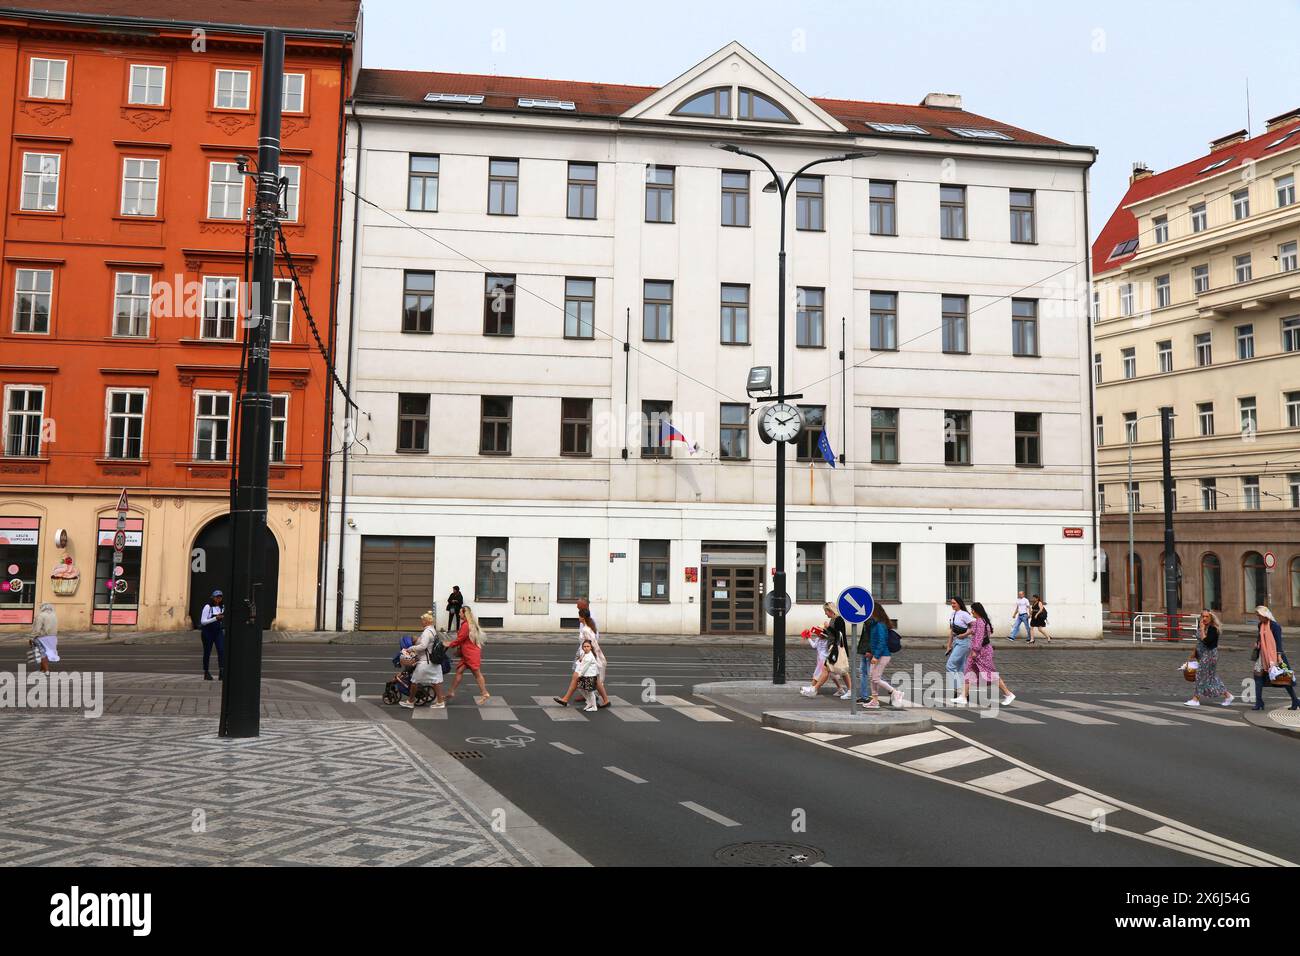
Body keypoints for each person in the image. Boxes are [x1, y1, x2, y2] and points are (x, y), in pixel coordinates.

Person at [955, 601, 1015, 706]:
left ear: (976, 611)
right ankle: (963, 696)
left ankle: (1008, 694)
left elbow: (978, 638)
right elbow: (973, 630)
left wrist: (974, 650)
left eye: (972, 610)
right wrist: (964, 635)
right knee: (968, 671)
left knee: (990, 674)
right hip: (981, 651)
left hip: (981, 652)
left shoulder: (980, 622)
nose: (971, 612)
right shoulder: (982, 621)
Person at [553, 607, 611, 708]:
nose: (578, 618)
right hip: (588, 657)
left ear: (583, 617)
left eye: (579, 616)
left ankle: (565, 699)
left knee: (577, 677)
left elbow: (591, 645)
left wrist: (585, 657)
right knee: (594, 680)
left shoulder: (586, 629)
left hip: (587, 657)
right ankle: (605, 700)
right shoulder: (589, 627)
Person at [1253, 605, 1299, 711]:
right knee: (1257, 677)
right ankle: (1259, 702)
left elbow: (1278, 642)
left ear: (1265, 615)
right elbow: (1260, 637)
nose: (1258, 617)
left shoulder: (1275, 626)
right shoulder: (1260, 625)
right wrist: (1257, 643)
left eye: (1259, 615)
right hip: (1262, 656)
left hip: (1275, 656)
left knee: (1285, 679)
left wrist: (1279, 656)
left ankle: (1295, 700)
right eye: (1257, 615)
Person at [1183, 609, 1232, 707]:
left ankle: (1195, 699)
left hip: (1210, 655)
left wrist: (1202, 629)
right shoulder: (1201, 625)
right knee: (1211, 677)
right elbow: (1199, 642)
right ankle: (1228, 695)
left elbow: (1207, 641)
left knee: (1200, 675)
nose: (1204, 618)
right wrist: (1194, 652)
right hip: (1201, 654)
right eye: (1202, 616)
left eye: (1206, 617)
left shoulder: (1213, 628)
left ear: (1211, 618)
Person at [801, 603, 850, 698]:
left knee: (843, 671)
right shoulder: (832, 620)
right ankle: (814, 689)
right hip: (833, 647)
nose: (825, 614)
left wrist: (828, 628)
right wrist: (820, 631)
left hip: (838, 648)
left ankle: (814, 689)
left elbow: (839, 635)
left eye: (826, 611)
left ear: (830, 610)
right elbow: (831, 634)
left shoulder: (839, 620)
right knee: (829, 670)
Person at [446, 605, 491, 704]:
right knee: (459, 671)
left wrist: (449, 644)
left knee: (477, 674)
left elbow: (460, 639)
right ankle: (451, 691)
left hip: (471, 654)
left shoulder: (466, 625)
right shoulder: (469, 624)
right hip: (468, 654)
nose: (458, 614)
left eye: (460, 612)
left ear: (464, 614)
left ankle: (485, 693)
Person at [861, 603, 903, 709]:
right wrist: (871, 653)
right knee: (872, 677)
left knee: (875, 678)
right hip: (877, 654)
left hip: (883, 655)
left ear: (875, 611)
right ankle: (874, 701)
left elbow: (881, 641)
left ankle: (895, 692)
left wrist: (876, 656)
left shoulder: (880, 625)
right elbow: (875, 642)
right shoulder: (874, 624)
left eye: (870, 611)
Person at [402, 611, 447, 709]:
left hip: (425, 661)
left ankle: (410, 701)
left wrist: (411, 648)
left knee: (414, 681)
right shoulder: (433, 630)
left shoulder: (426, 632)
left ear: (426, 621)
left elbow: (423, 646)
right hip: (433, 660)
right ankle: (440, 701)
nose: (421, 622)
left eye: (422, 620)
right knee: (436, 681)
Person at [944, 596, 973, 700]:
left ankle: (959, 689)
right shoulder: (953, 614)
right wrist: (949, 645)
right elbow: (952, 631)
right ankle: (964, 693)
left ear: (959, 604)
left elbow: (973, 627)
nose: (952, 605)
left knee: (950, 665)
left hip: (964, 642)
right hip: (956, 641)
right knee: (961, 668)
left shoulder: (964, 614)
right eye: (951, 603)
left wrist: (964, 634)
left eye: (954, 603)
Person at [199, 589, 225, 681]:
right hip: (207, 632)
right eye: (217, 597)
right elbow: (203, 621)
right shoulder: (208, 607)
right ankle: (206, 672)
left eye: (220, 597)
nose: (218, 599)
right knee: (207, 652)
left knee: (221, 650)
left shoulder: (222, 607)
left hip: (218, 631)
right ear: (213, 597)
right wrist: (215, 618)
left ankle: (222, 671)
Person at [30, 602, 59, 674]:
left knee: (42, 653)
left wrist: (32, 637)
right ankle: (42, 669)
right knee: (46, 652)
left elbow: (37, 628)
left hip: (42, 637)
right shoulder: (54, 615)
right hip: (53, 637)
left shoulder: (41, 616)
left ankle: (46, 670)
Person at [575, 639, 602, 713]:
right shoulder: (584, 654)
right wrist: (580, 660)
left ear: (591, 647)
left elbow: (585, 667)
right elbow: (579, 662)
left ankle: (594, 706)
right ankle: (589, 702)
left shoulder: (590, 656)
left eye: (588, 646)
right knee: (581, 688)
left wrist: (579, 675)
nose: (586, 648)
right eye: (584, 646)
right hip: (585, 676)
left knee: (590, 691)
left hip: (590, 676)